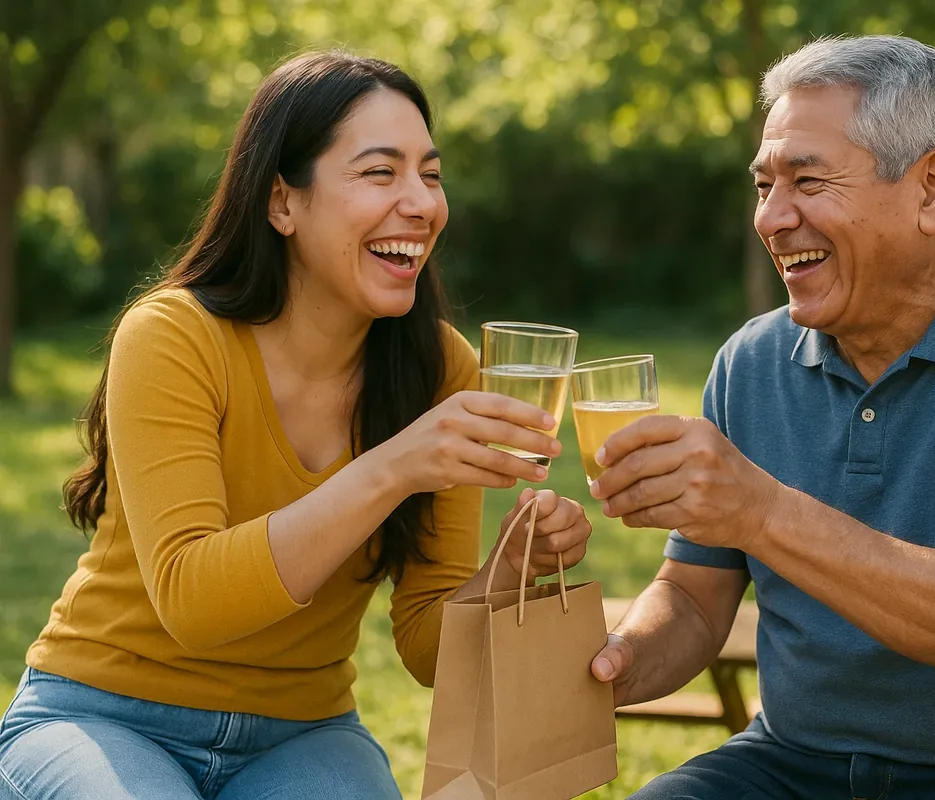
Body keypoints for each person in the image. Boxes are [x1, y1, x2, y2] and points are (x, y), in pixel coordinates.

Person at [0, 52, 593, 800]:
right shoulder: (174, 337)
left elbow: (427, 648)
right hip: (106, 715)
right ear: (283, 202)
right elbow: (194, 602)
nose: (420, 202)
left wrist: (506, 571)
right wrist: (393, 467)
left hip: (300, 733)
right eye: (380, 173)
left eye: (431, 174)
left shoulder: (440, 368)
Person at [589, 34, 935, 800]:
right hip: (791, 763)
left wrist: (763, 512)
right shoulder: (751, 363)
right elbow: (693, 597)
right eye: (764, 185)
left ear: (932, 189)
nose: (773, 217)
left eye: (808, 180)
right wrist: (612, 664)